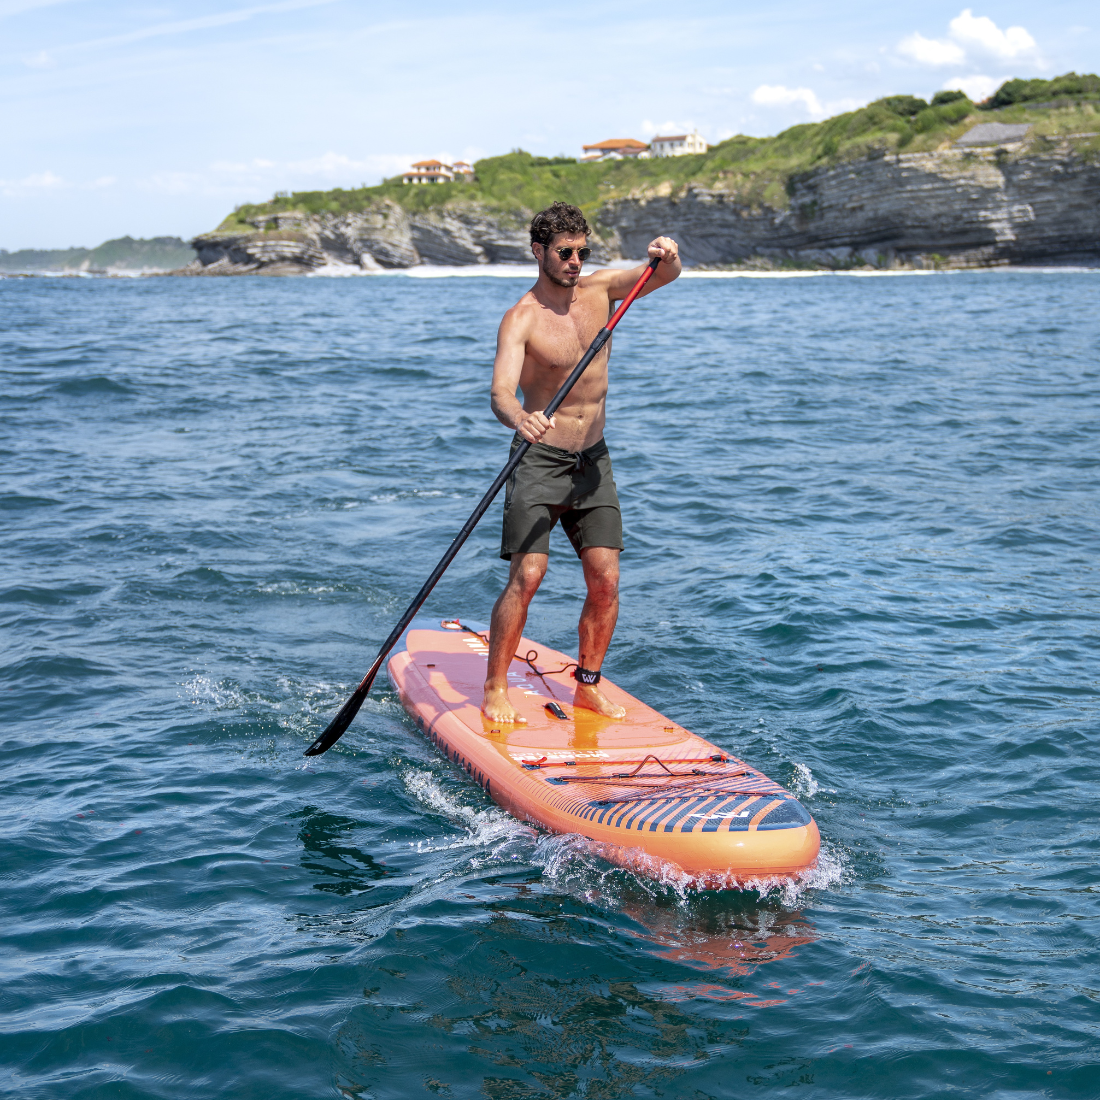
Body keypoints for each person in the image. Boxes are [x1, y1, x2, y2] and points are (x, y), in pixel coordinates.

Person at [482, 201, 680, 724]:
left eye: (582, 252)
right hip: (539, 459)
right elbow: (501, 393)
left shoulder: (600, 291)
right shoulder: (521, 319)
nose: (575, 261)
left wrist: (668, 253)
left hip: (593, 461)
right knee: (528, 576)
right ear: (539, 252)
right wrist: (519, 417)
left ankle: (587, 685)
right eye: (565, 252)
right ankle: (496, 688)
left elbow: (663, 274)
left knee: (606, 580)